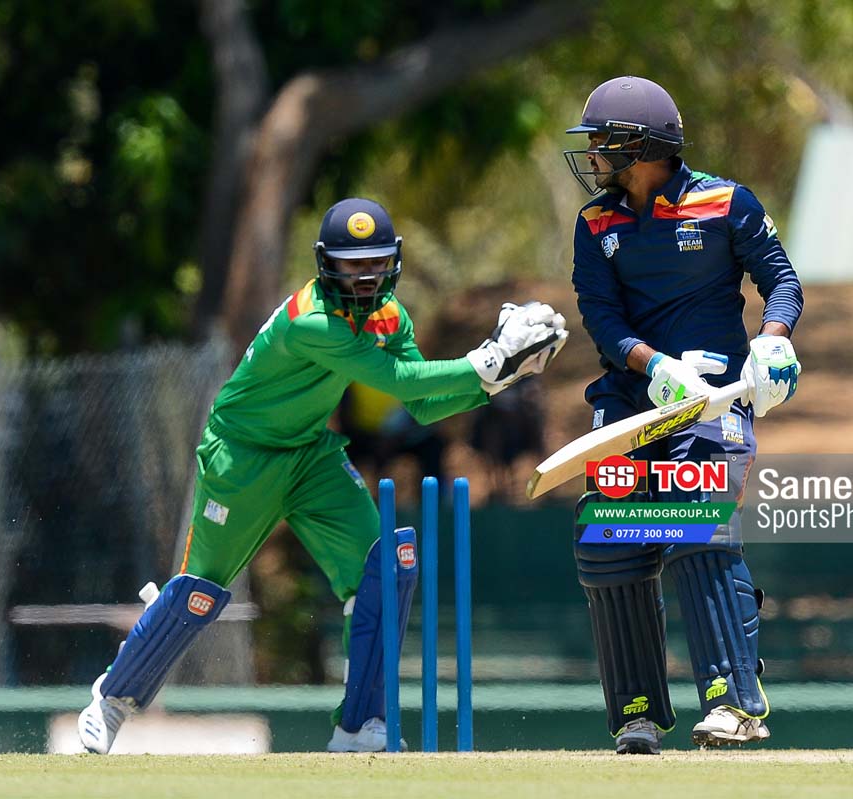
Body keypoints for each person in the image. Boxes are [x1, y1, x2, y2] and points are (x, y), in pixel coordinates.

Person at [77, 197, 567, 754]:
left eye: (377, 263)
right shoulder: (311, 322)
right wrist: (490, 360)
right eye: (352, 265)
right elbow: (401, 379)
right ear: (325, 264)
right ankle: (112, 698)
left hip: (311, 454)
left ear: (394, 262)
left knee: (383, 570)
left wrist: (498, 379)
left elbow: (422, 404)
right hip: (243, 458)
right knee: (200, 593)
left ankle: (360, 725)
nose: (366, 277)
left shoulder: (390, 315)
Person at [562, 76, 802, 753]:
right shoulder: (596, 223)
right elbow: (602, 317)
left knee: (697, 525)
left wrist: (773, 343)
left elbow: (781, 280)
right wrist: (654, 367)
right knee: (608, 543)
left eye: (603, 141)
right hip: (630, 399)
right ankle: (636, 713)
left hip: (712, 396)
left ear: (643, 147)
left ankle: (733, 704)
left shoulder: (726, 202)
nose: (593, 153)